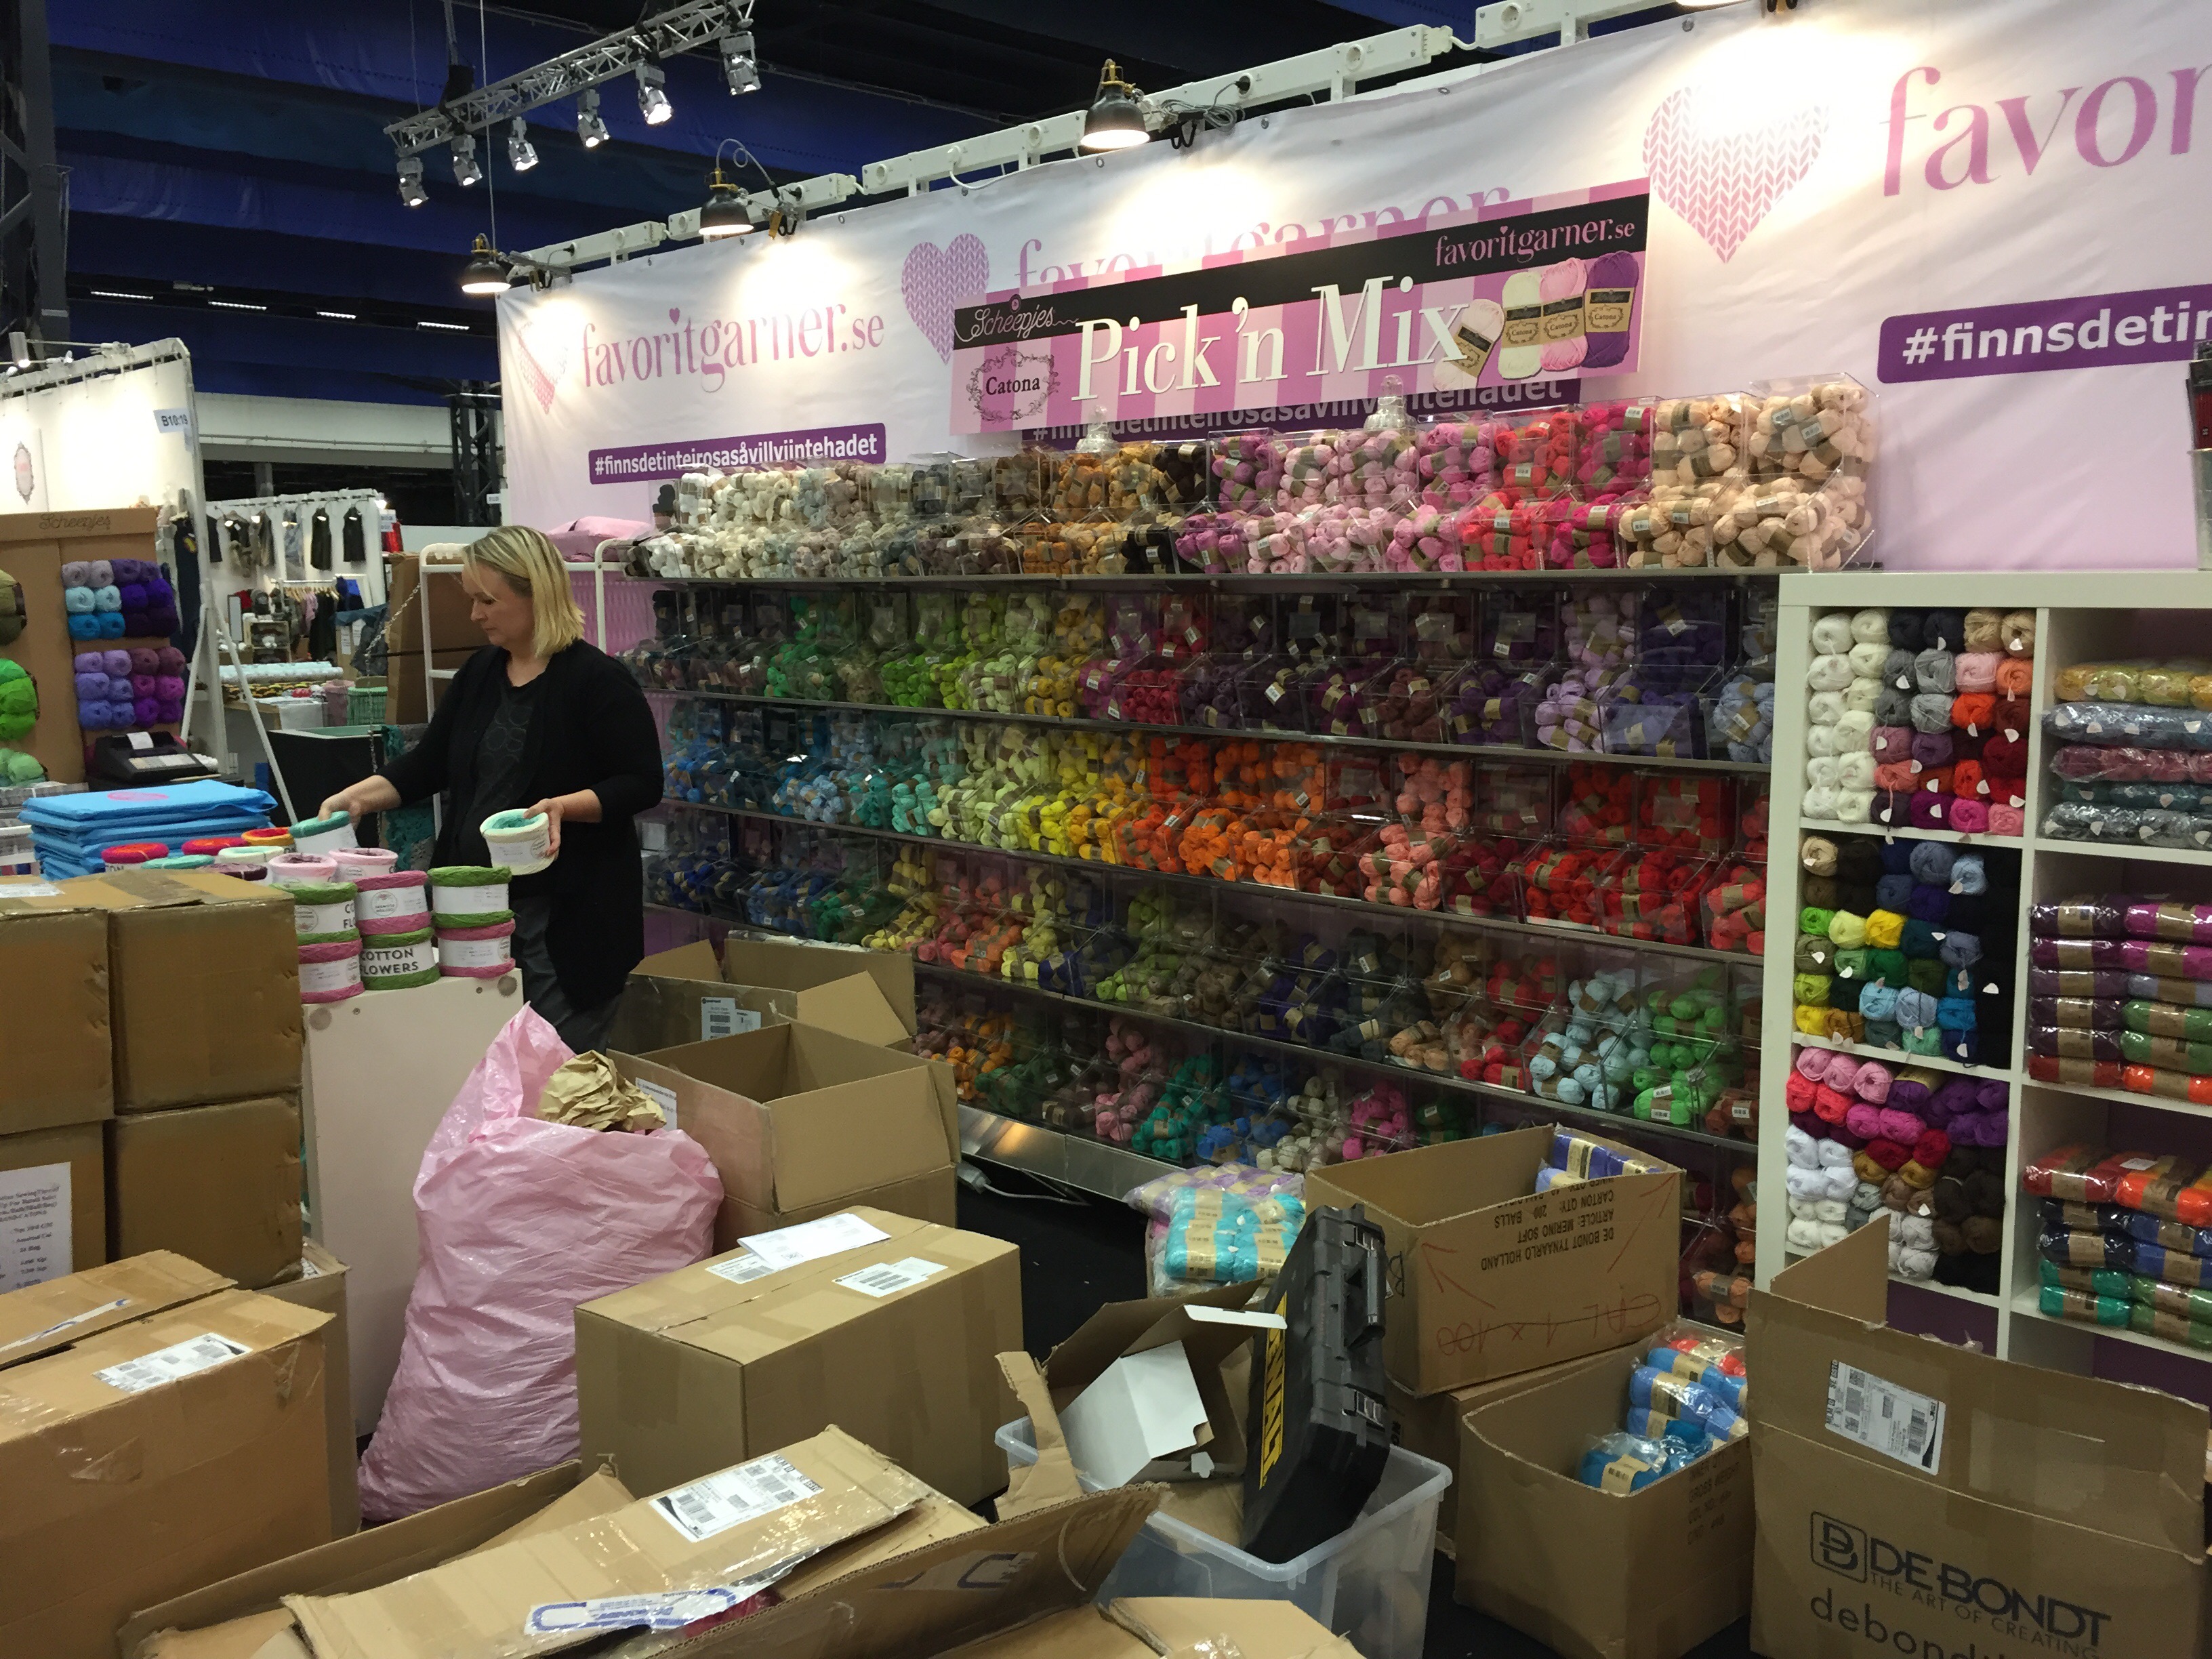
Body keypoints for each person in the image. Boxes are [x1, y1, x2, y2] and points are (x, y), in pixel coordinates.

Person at [319, 527, 661, 1051]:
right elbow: (430, 763)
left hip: (566, 923)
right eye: (472, 599)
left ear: (536, 594)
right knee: (483, 1063)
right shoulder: (480, 673)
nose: (475, 615)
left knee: (556, 1071)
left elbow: (641, 783)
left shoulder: (598, 680)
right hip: (475, 912)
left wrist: (562, 808)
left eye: (488, 600)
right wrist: (356, 798)